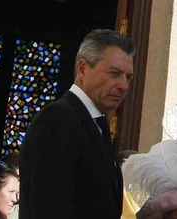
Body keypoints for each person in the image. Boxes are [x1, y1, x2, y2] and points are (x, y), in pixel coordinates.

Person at [22, 30, 134, 219]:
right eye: (114, 73)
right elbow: (48, 207)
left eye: (128, 77)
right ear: (82, 69)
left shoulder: (97, 124)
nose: (123, 85)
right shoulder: (57, 120)